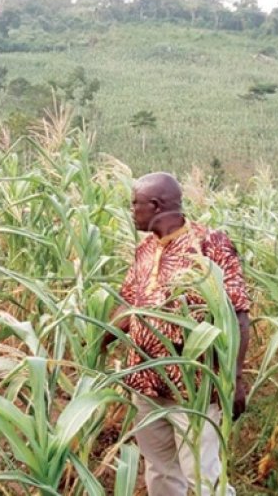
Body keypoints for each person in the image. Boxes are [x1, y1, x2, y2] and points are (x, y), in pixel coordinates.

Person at [104, 172, 251, 496]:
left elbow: (239, 314)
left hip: (194, 387)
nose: (132, 211)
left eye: (135, 204)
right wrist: (98, 341)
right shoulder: (144, 250)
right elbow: (129, 307)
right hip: (145, 384)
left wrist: (236, 378)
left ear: (155, 205)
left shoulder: (209, 244)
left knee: (203, 477)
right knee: (160, 472)